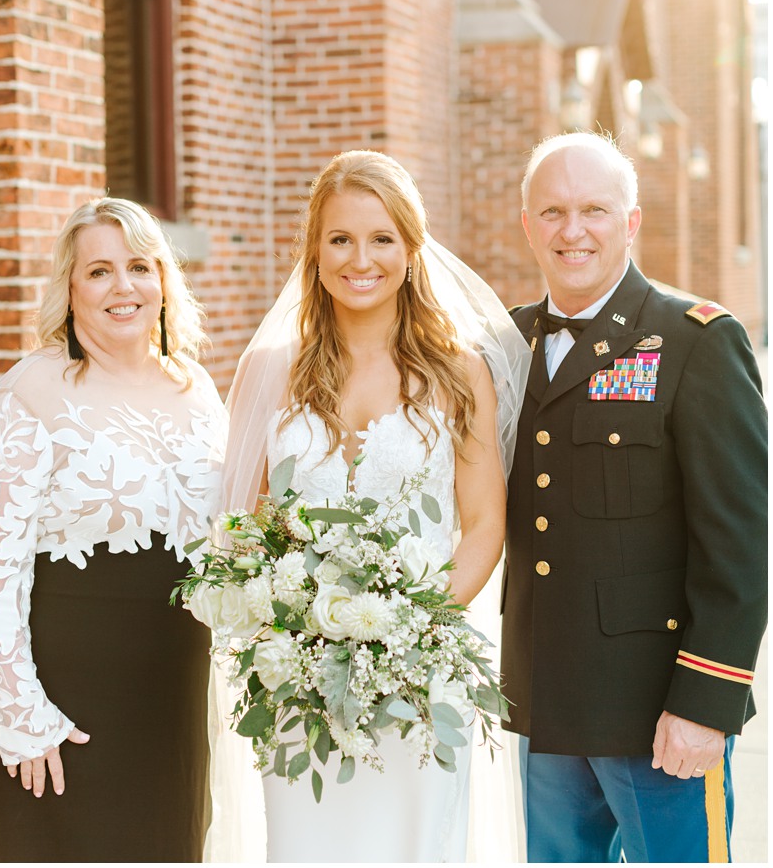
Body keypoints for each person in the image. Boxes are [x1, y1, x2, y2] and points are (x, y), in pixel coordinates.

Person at [220, 151, 529, 861]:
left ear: (412, 249)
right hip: (299, 685)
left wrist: (411, 635)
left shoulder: (459, 372)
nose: (362, 259)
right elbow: (250, 522)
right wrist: (289, 627)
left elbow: (483, 525)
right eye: (340, 239)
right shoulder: (273, 369)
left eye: (382, 238)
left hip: (422, 681)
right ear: (315, 250)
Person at [502, 131, 767, 862]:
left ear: (631, 220)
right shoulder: (503, 346)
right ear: (527, 225)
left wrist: (704, 705)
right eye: (552, 212)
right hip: (546, 708)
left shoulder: (695, 341)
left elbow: (737, 549)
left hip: (659, 715)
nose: (572, 230)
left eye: (593, 208)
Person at [0, 197, 227, 862]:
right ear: (70, 287)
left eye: (140, 266)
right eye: (100, 271)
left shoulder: (196, 388)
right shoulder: (29, 393)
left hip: (173, 697)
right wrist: (21, 717)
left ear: (165, 279)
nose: (124, 287)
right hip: (66, 703)